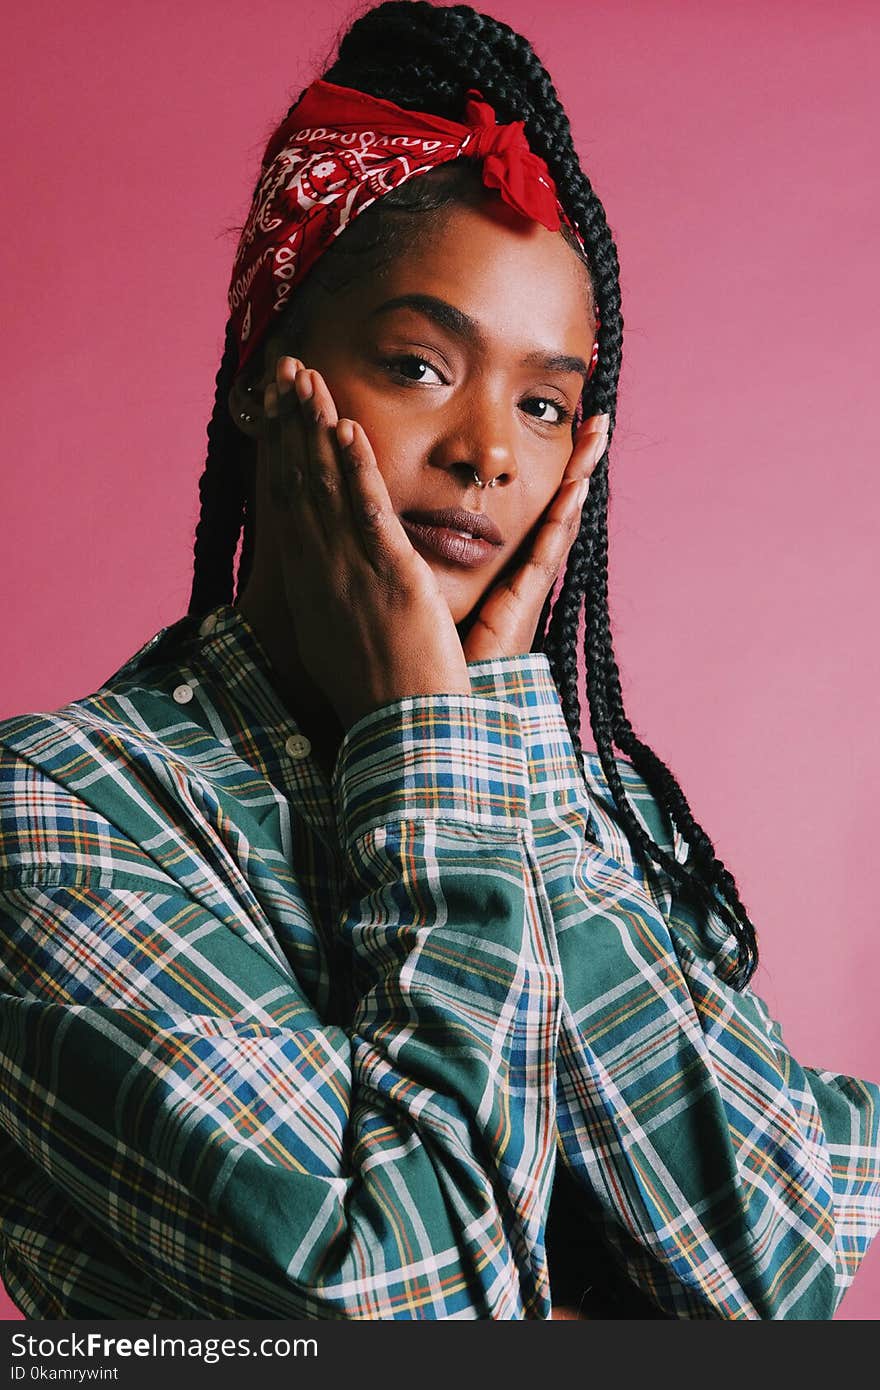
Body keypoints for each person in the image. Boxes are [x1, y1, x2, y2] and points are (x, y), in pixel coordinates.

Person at [0, 0, 877, 1321]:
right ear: (265, 367)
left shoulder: (586, 802)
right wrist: (429, 745)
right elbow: (415, 1312)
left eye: (543, 400)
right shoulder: (61, 808)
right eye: (420, 365)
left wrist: (490, 742)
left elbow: (783, 1272)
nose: (492, 453)